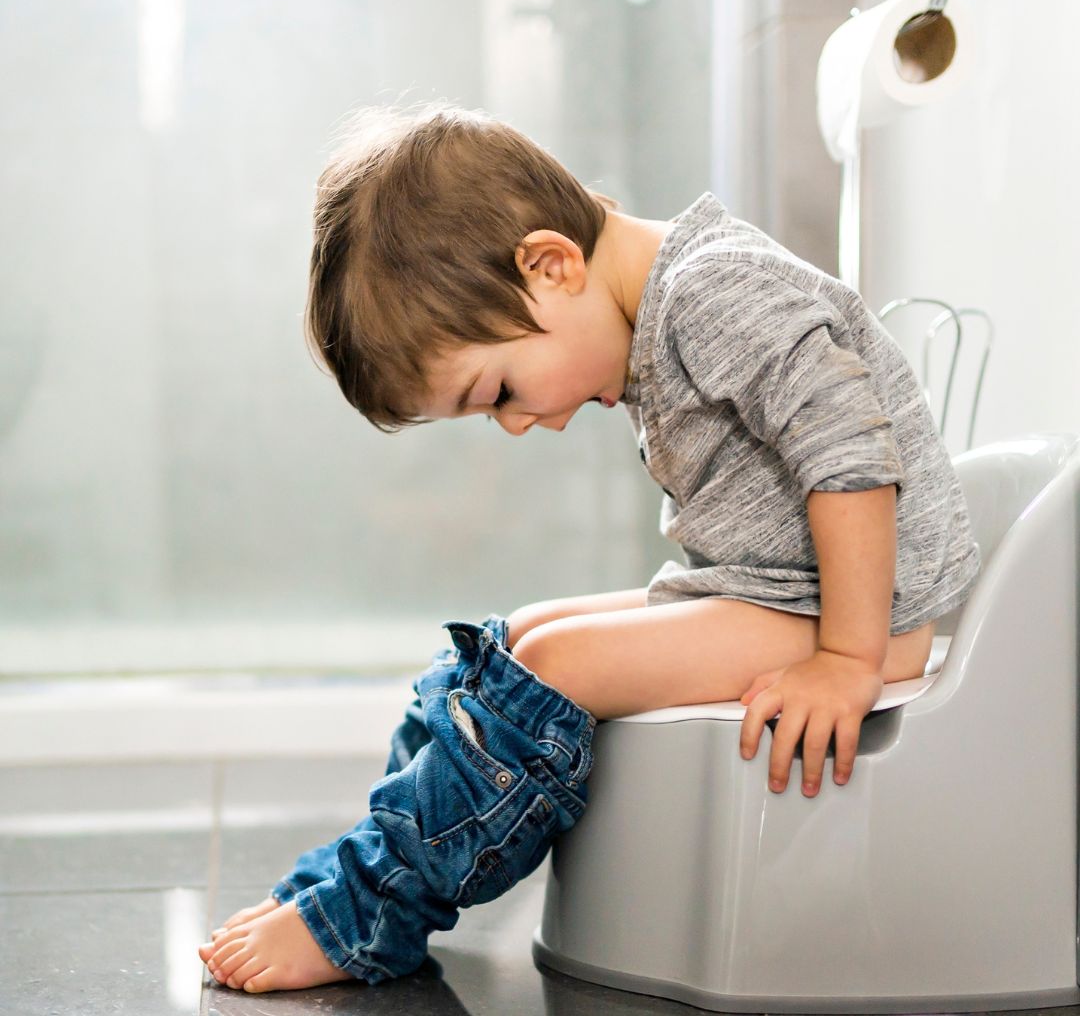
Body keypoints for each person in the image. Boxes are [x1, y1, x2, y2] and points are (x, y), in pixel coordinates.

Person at [197, 101, 981, 993]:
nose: (518, 425)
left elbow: (848, 447)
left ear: (550, 265)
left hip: (855, 613)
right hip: (778, 592)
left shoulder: (710, 289)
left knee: (552, 665)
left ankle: (371, 909)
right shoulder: (675, 298)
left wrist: (848, 656)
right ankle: (357, 872)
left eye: (497, 391)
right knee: (511, 644)